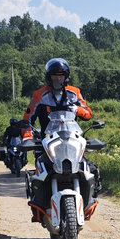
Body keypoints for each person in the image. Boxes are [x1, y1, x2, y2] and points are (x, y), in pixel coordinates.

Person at [22, 58, 101, 221]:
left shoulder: (74, 92)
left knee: (89, 168)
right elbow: (28, 118)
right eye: (54, 76)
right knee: (40, 170)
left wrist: (77, 109)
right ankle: (39, 204)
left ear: (66, 76)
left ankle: (90, 199)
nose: (58, 79)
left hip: (72, 139)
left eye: (61, 75)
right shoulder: (39, 95)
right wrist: (28, 136)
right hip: (48, 141)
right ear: (48, 77)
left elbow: (88, 113)